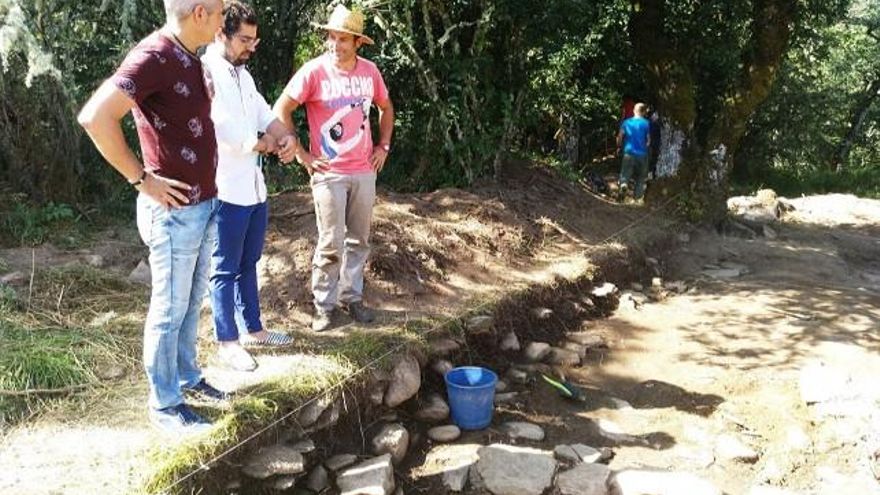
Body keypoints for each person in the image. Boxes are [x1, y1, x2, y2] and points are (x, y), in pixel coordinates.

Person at [77, 0, 229, 435]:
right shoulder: (153, 55)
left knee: (189, 301)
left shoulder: (188, 55)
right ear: (200, 12)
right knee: (168, 307)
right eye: (219, 13)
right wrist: (141, 179)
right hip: (173, 213)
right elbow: (95, 117)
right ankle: (164, 405)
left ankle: (186, 378)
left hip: (202, 205)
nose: (223, 21)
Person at [273, 4, 394, 332]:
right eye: (331, 37)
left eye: (343, 39)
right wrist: (301, 153)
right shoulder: (314, 71)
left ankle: (351, 299)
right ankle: (324, 307)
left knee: (359, 240)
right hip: (328, 172)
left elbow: (386, 107)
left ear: (357, 42)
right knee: (330, 242)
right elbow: (281, 108)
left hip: (364, 170)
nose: (335, 44)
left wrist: (383, 146)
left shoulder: (370, 72)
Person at [202, 1, 297, 372]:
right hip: (225, 187)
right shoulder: (207, 70)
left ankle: (254, 330)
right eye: (244, 39)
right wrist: (263, 143)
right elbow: (221, 127)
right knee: (224, 267)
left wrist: (285, 137)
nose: (250, 47)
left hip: (254, 187)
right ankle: (227, 341)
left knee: (249, 262)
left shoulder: (244, 74)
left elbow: (265, 114)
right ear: (220, 33)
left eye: (254, 41)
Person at [616, 102, 651, 201]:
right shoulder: (646, 123)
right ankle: (637, 198)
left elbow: (620, 137)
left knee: (625, 173)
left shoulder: (626, 122)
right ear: (643, 112)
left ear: (633, 110)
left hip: (628, 152)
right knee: (641, 177)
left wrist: (619, 146)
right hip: (642, 154)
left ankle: (623, 185)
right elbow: (648, 141)